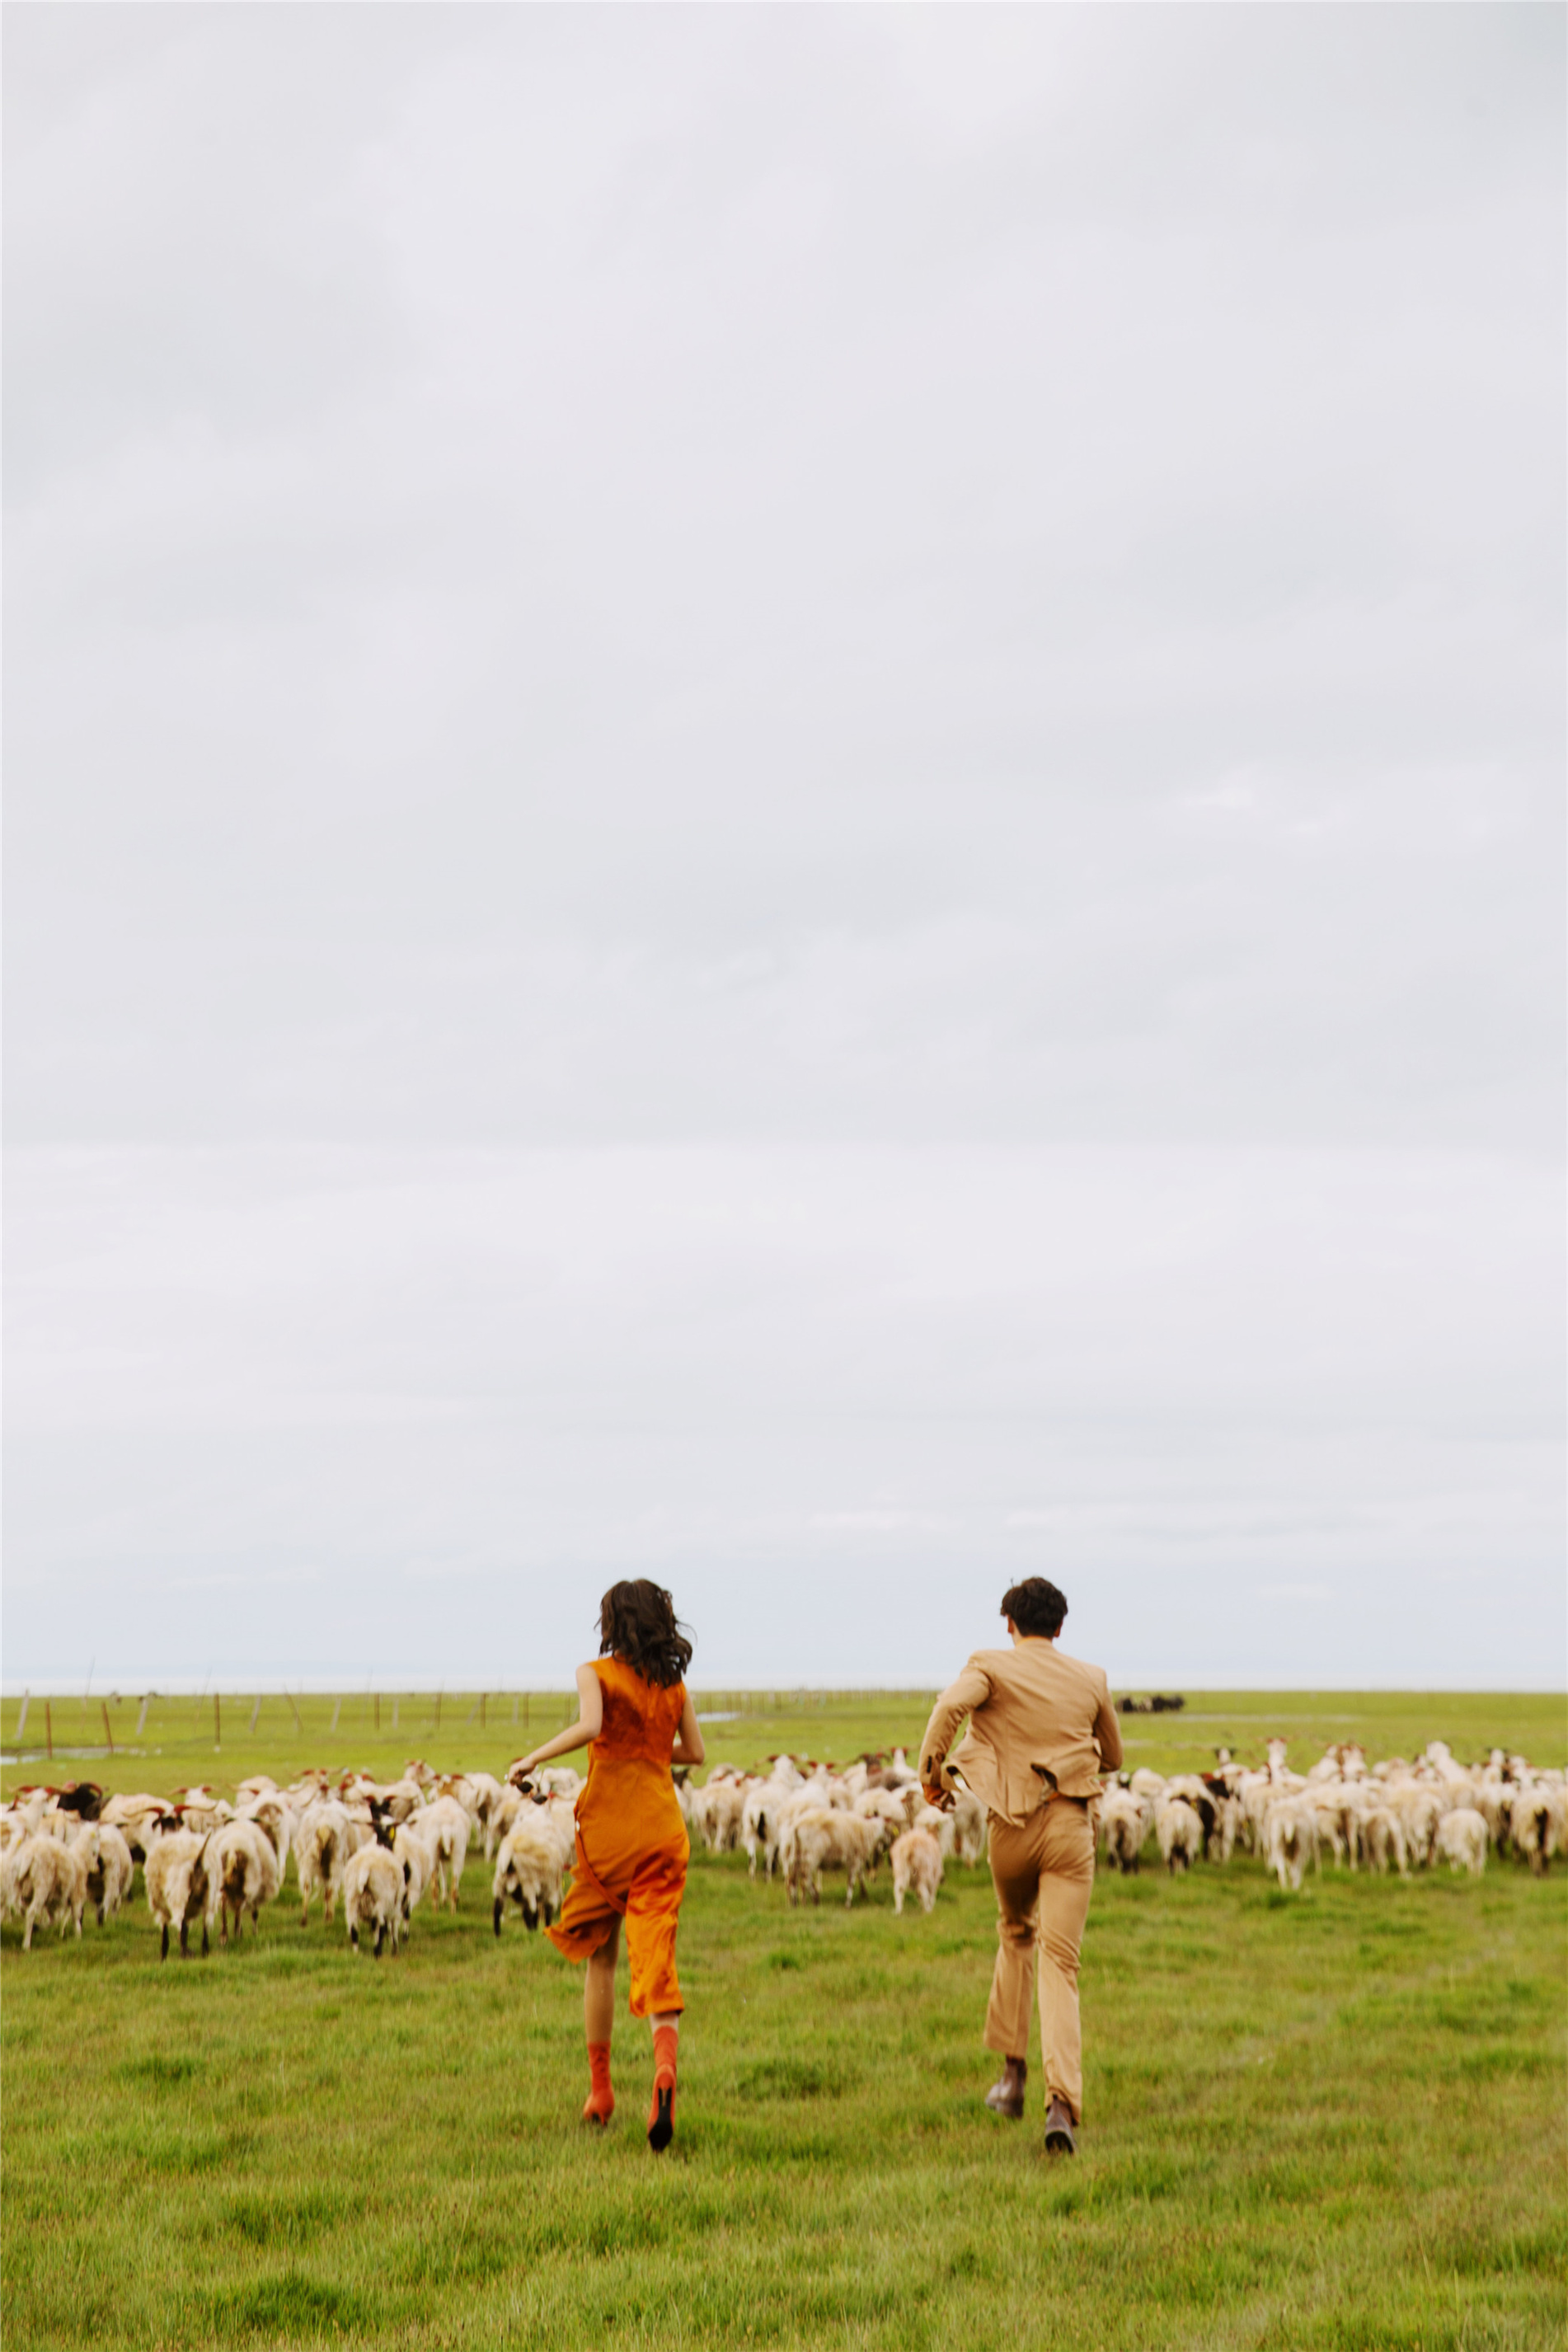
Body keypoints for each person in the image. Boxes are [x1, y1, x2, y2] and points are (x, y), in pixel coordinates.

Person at [919, 1577, 1121, 2156]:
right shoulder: (1091, 1678)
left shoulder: (989, 1665)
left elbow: (950, 1705)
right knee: (1062, 1962)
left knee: (1015, 1934)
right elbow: (1115, 1754)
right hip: (1069, 1829)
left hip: (1010, 1828)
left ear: (1009, 1622)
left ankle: (1012, 2078)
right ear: (1060, 1627)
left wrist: (932, 1774)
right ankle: (1061, 2101)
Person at [512, 1579, 705, 2151]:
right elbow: (693, 1753)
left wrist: (533, 1756)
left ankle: (601, 2092)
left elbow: (592, 1727)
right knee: (657, 1958)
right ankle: (663, 2073)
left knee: (602, 1958)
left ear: (611, 1622)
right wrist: (646, 1749)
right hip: (662, 1833)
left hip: (608, 1835)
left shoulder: (594, 1672)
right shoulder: (674, 1684)